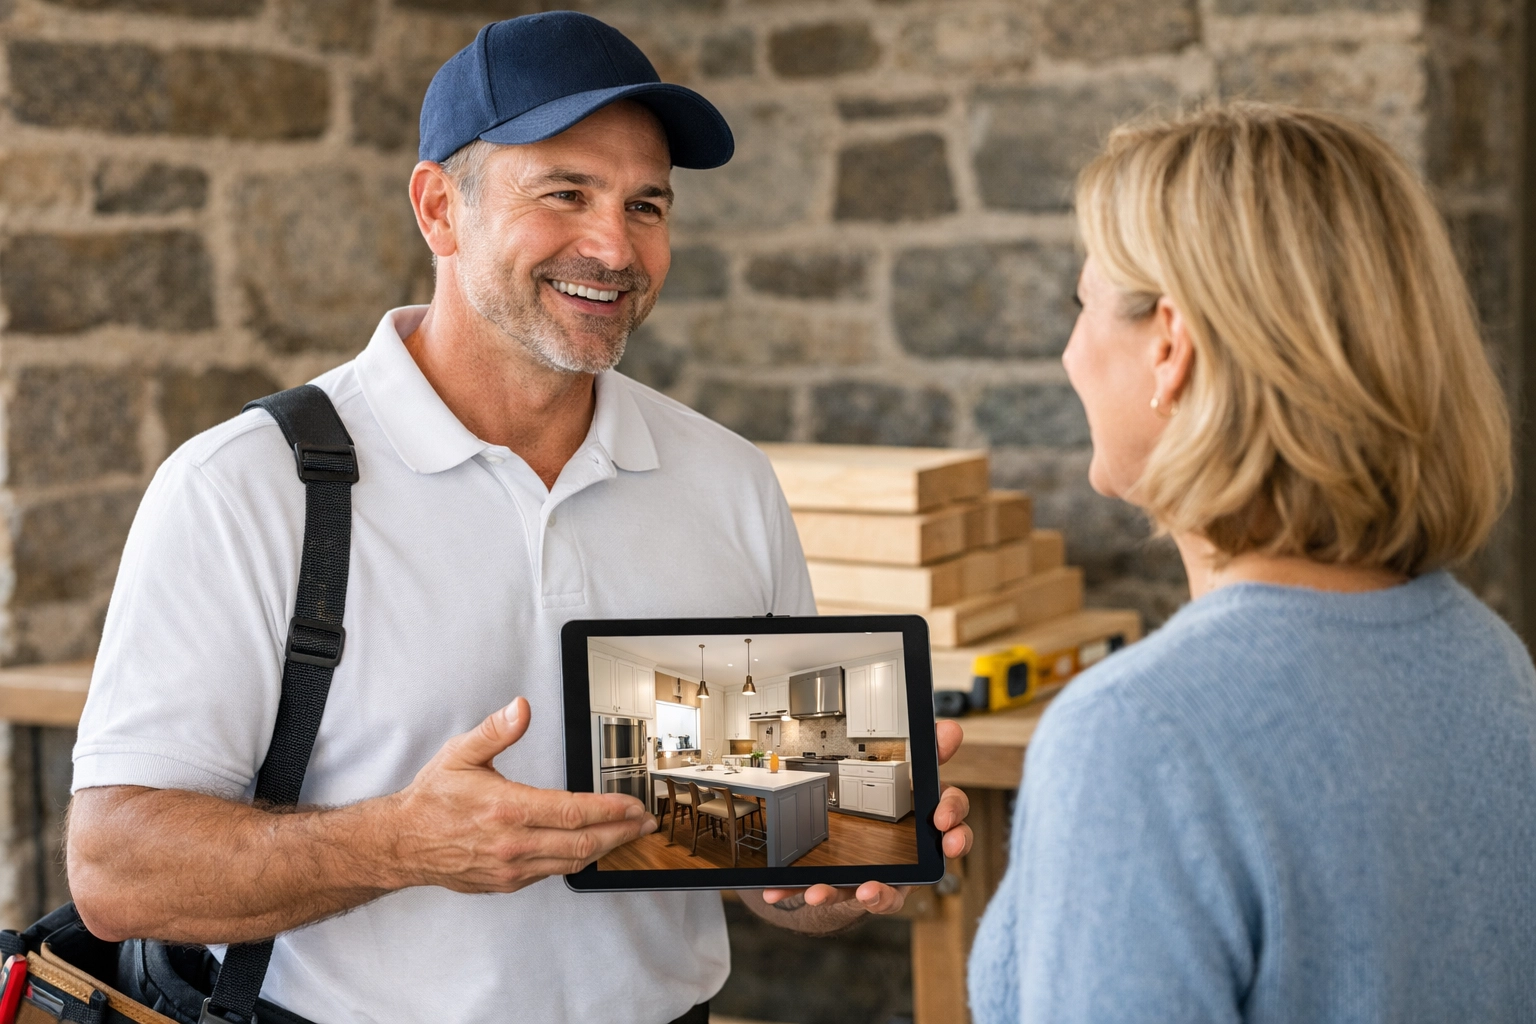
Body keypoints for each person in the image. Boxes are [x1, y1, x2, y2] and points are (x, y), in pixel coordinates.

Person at [63, 13, 973, 1024]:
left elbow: (750, 850)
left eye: (647, 204)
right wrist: (401, 842)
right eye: (565, 194)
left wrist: (828, 863)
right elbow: (116, 868)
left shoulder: (728, 482)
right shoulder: (246, 486)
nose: (614, 246)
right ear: (439, 209)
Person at [968, 103, 1536, 1023]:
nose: (1071, 354)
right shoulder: (1490, 660)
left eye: (1083, 305)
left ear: (1170, 345)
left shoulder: (1136, 737)